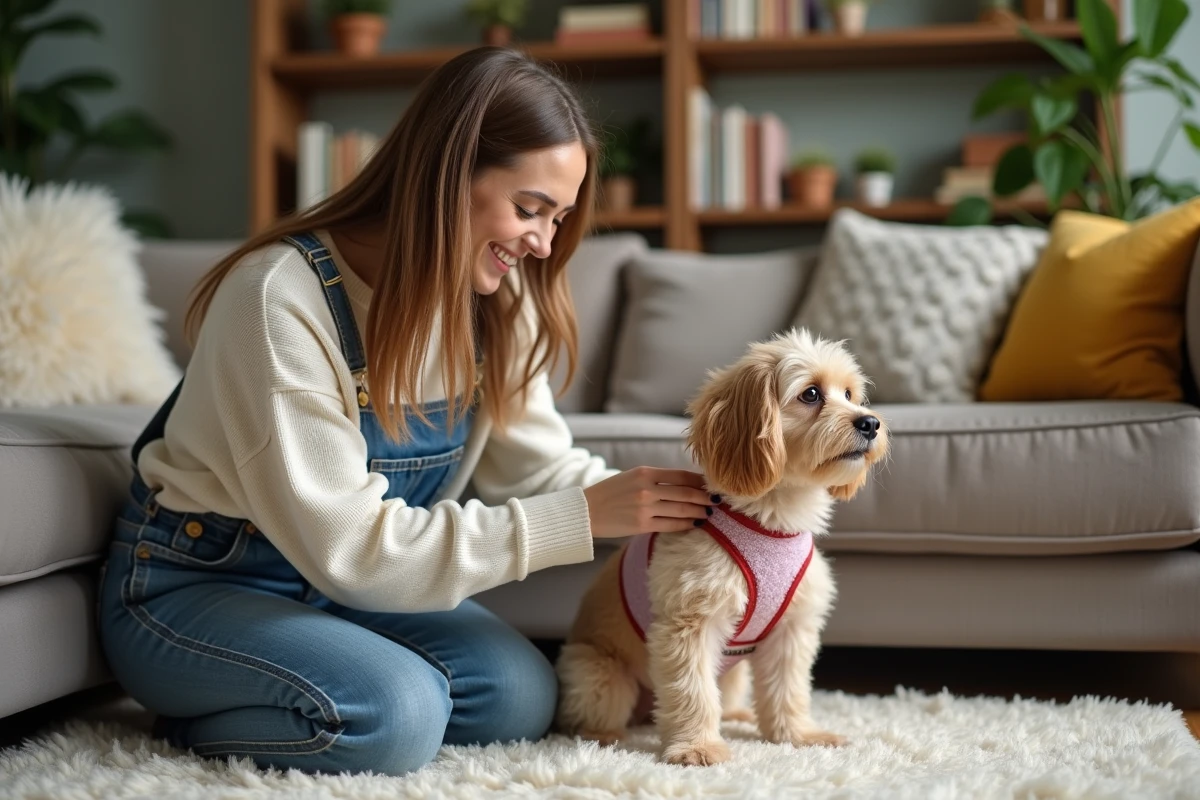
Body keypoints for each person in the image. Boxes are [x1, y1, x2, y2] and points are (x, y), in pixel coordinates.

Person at [96, 46, 715, 777]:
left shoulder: (496, 303)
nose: (545, 244)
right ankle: (207, 713)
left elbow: (538, 470)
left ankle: (308, 680)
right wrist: (581, 518)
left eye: (558, 218)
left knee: (520, 697)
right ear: (446, 176)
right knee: (396, 715)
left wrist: (683, 510)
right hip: (195, 586)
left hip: (333, 588)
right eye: (529, 209)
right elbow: (355, 550)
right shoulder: (278, 300)